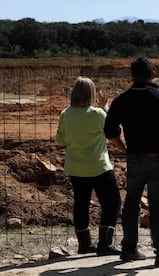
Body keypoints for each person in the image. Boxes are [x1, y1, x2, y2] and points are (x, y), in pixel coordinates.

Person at [104, 57, 159, 267]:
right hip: (157, 158)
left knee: (131, 204)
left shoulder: (121, 100)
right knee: (158, 206)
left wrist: (124, 149)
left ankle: (129, 250)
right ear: (153, 74)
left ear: (131, 76)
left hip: (134, 159)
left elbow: (110, 131)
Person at [56, 76, 122, 256]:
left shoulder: (65, 114)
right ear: (92, 94)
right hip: (99, 166)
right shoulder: (98, 114)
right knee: (112, 202)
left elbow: (60, 141)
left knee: (81, 204)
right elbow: (113, 129)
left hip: (76, 168)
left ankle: (85, 244)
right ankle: (105, 244)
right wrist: (105, 107)